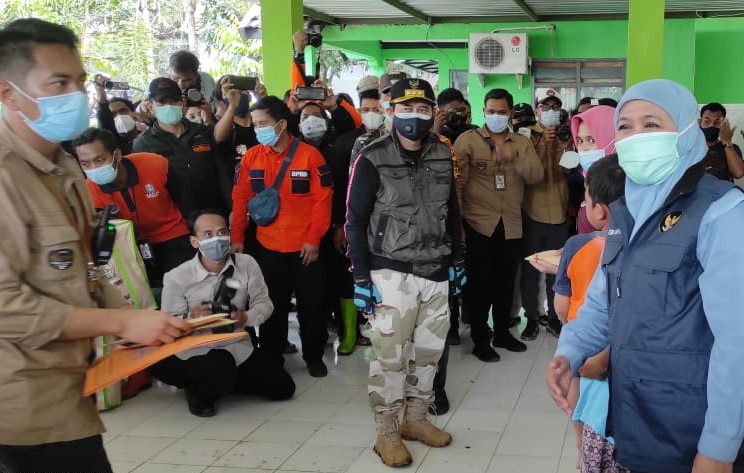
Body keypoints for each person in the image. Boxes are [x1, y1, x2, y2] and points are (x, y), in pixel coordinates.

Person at [0, 18, 189, 472]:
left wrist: (143, 322)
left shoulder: (65, 169)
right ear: (9, 95)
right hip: (20, 405)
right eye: (58, 82)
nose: (77, 94)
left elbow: (82, 268)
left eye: (80, 81)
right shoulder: (6, 177)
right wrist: (121, 318)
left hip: (69, 390)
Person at [546, 79, 744, 473]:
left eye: (651, 124)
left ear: (687, 131)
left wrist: (719, 446)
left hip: (692, 423)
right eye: (625, 126)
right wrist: (570, 352)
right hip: (634, 414)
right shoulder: (624, 212)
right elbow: (602, 305)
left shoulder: (721, 212)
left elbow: (737, 340)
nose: (636, 136)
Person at [346, 77, 463, 467]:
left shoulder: (442, 154)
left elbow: (453, 212)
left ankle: (416, 420)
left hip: (436, 270)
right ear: (391, 111)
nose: (415, 116)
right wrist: (361, 278)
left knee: (429, 354)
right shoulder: (372, 156)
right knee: (390, 358)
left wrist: (458, 260)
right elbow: (355, 219)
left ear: (433, 113)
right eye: (406, 108)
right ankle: (387, 432)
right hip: (390, 273)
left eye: (423, 109)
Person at [151, 210, 295, 417]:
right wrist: (192, 318)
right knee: (219, 367)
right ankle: (198, 392)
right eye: (208, 234)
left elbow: (264, 304)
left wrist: (246, 317)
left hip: (235, 343)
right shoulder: (177, 276)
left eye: (221, 232)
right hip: (196, 349)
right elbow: (169, 322)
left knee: (282, 387)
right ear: (194, 241)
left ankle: (224, 381)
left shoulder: (246, 264)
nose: (216, 239)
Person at [231, 96, 333, 378]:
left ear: (282, 124)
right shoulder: (253, 157)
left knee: (312, 305)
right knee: (271, 306)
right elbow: (240, 199)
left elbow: (323, 200)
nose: (257, 129)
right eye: (255, 124)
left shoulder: (311, 156)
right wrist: (237, 235)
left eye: (263, 123)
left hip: (306, 248)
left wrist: (314, 239)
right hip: (268, 246)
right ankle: (272, 354)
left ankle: (314, 356)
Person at [453, 88, 543, 363]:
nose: (495, 117)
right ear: (483, 111)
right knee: (480, 285)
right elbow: (456, 184)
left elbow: (536, 175)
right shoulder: (467, 141)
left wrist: (514, 158)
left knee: (506, 283)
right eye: (491, 111)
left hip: (511, 223)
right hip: (478, 223)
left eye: (501, 112)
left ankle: (503, 332)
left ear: (510, 113)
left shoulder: (522, 143)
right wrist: (458, 225)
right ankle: (481, 338)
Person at [551, 155, 626, 472]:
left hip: (593, 364)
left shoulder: (577, 244)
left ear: (599, 210)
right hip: (649, 411)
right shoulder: (646, 247)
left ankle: (584, 449)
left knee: (590, 438)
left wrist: (573, 349)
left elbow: (562, 307)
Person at [72, 127, 194, 287]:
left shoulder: (155, 164)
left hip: (173, 237)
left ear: (117, 155)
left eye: (99, 160)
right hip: (130, 250)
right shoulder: (88, 192)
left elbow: (189, 204)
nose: (93, 168)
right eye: (85, 164)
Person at [132, 77, 230, 218]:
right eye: (162, 103)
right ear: (150, 106)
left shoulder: (202, 131)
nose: (169, 106)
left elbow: (221, 171)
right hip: (176, 221)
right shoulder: (143, 144)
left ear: (182, 103)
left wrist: (233, 209)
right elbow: (146, 190)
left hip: (217, 215)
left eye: (174, 101)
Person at [520, 87, 569, 340]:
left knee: (556, 270)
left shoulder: (565, 134)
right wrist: (543, 146)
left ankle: (553, 318)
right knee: (530, 271)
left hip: (559, 215)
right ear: (537, 109)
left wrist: (563, 146)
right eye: (545, 107)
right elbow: (530, 174)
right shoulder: (525, 136)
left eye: (555, 107)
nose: (551, 112)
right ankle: (530, 318)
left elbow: (569, 170)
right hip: (533, 214)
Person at [570, 105, 617, 234]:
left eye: (591, 140)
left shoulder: (625, 189)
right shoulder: (589, 181)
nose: (584, 148)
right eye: (580, 140)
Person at [698, 102, 744, 182]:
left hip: (723, 193)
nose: (711, 125)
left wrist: (727, 142)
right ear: (699, 122)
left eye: (717, 122)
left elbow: (738, 173)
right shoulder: (691, 148)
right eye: (707, 121)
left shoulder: (731, 148)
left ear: (723, 124)